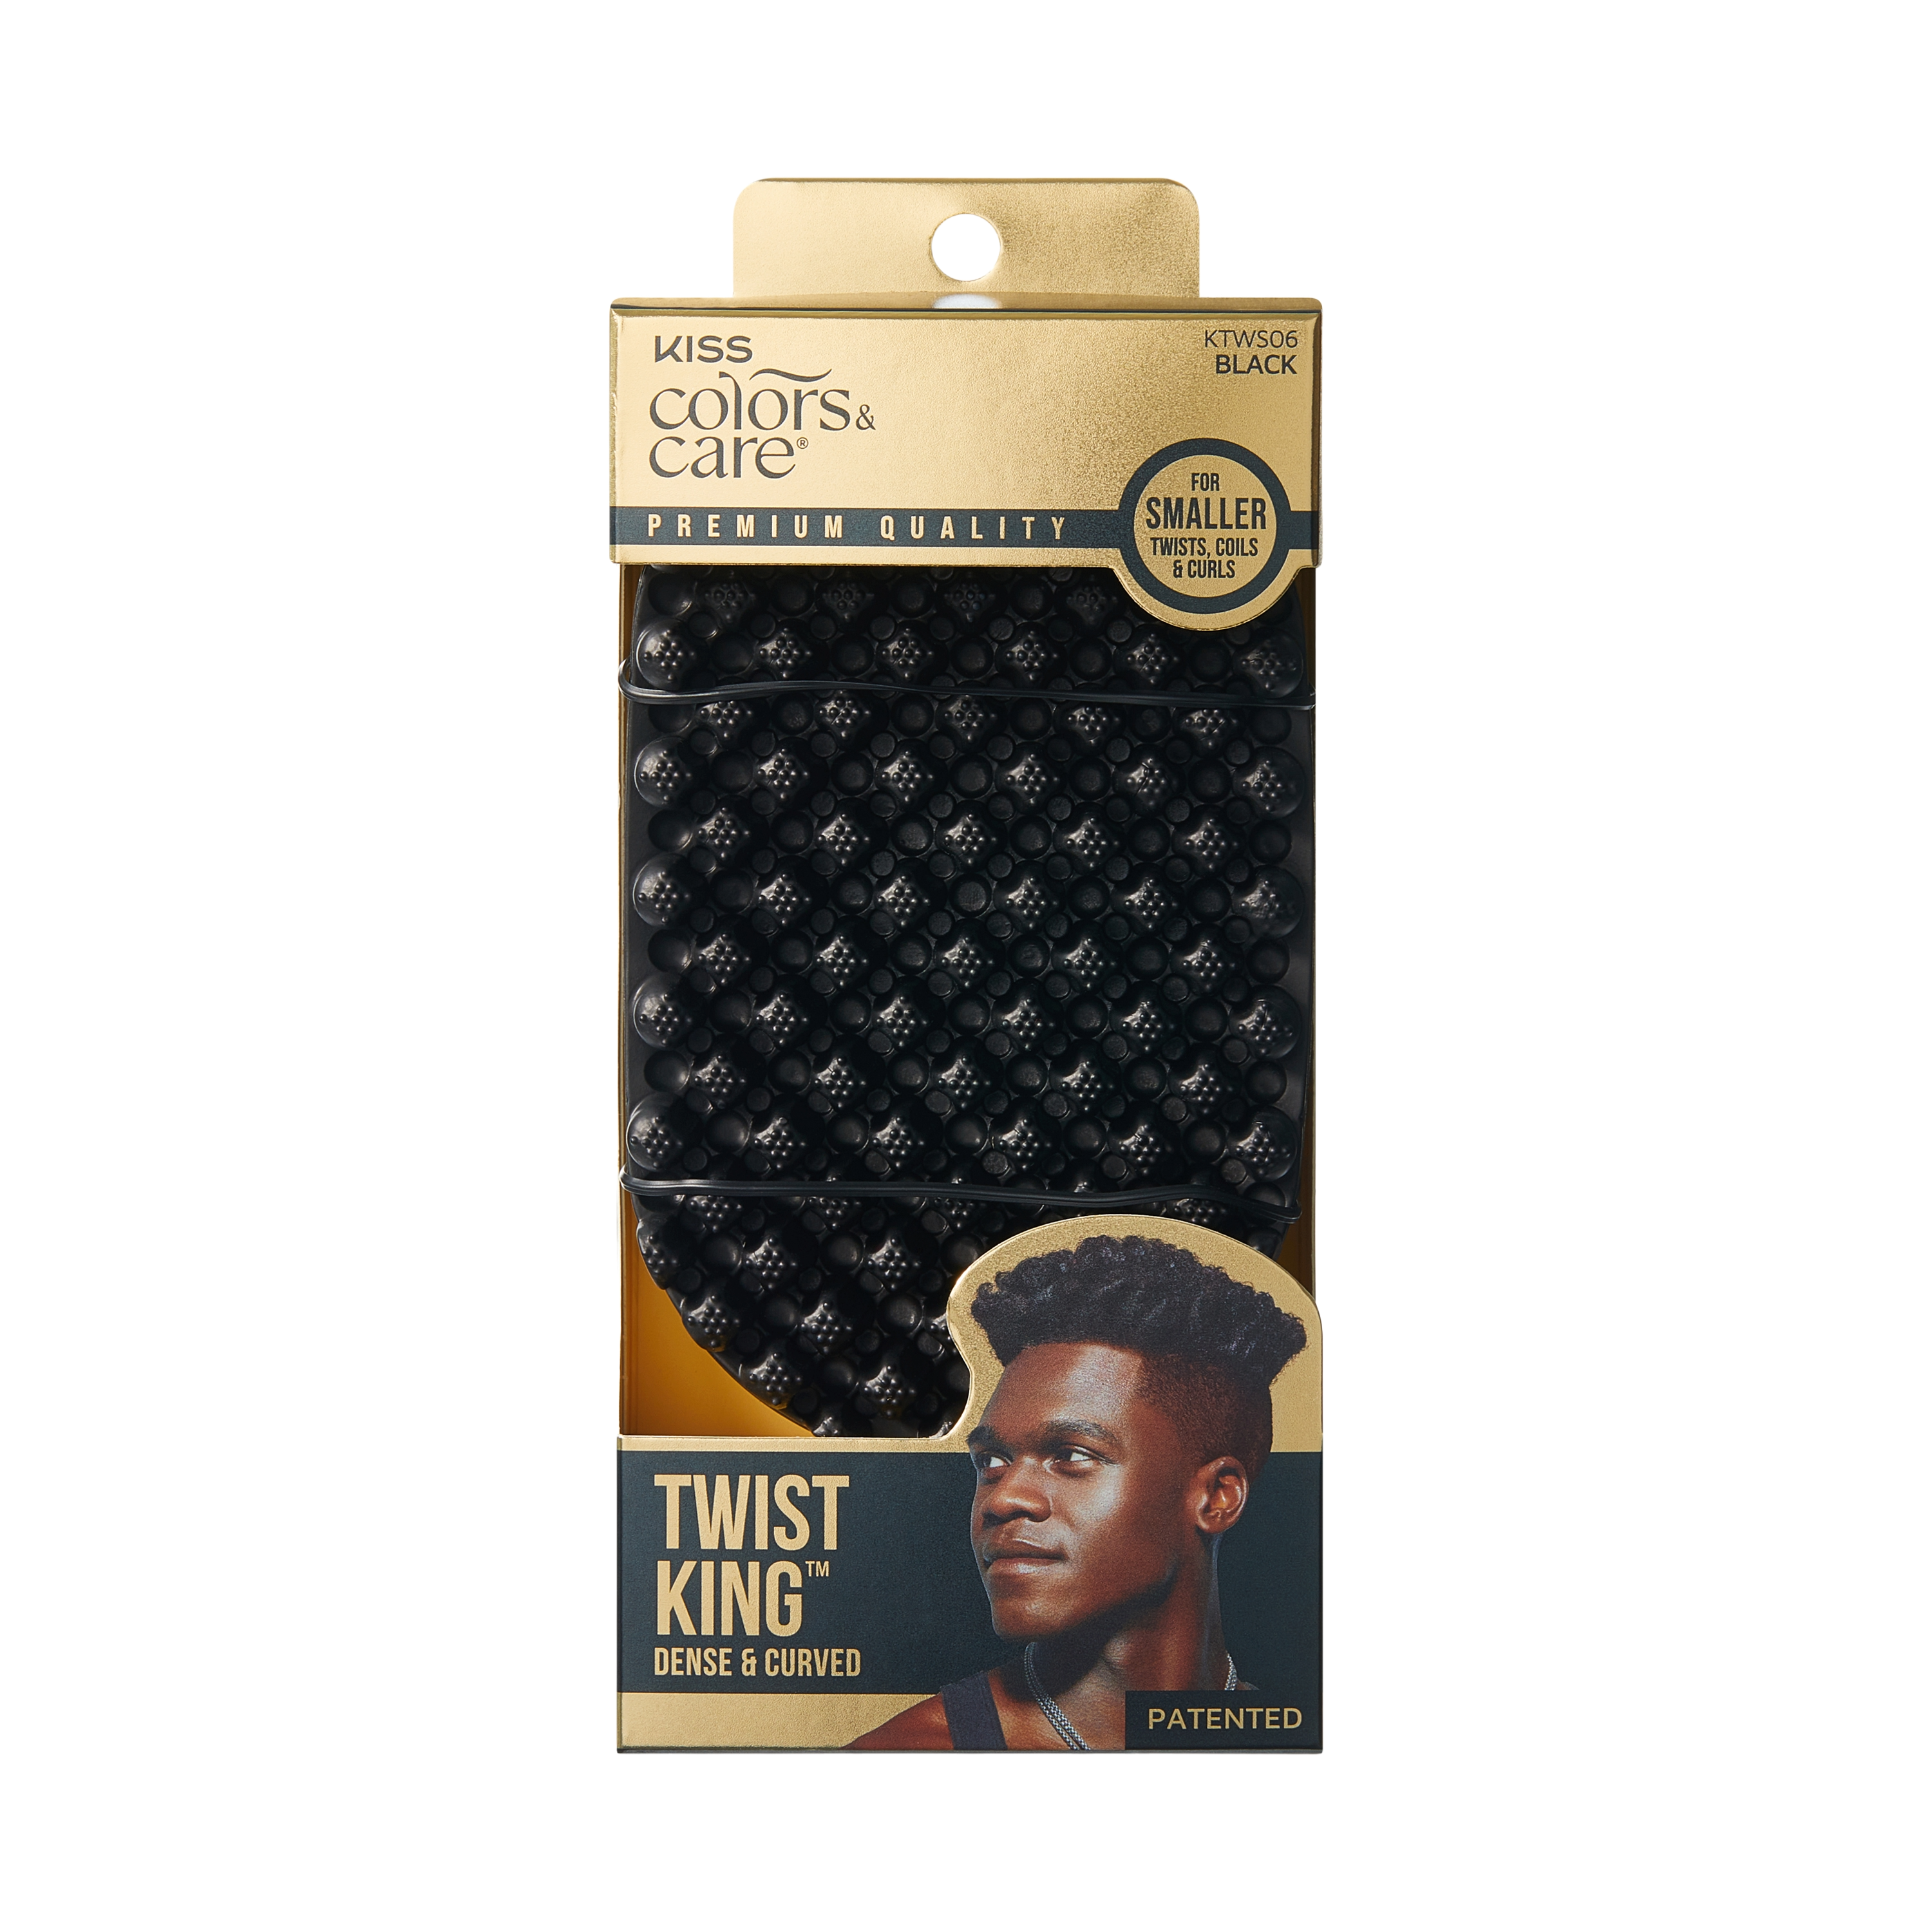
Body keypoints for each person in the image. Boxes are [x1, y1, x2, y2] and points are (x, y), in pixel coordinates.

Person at [849, 1231, 1307, 1751]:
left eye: (1071, 1455)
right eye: (992, 1461)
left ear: (1217, 1497)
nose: (1002, 1500)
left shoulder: (1292, 1741)